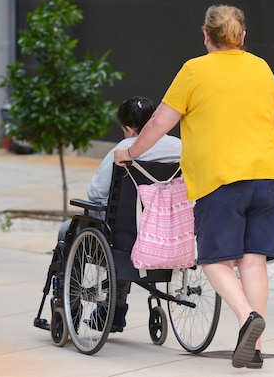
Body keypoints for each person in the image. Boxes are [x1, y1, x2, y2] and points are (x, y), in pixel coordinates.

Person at [114, 5, 274, 368]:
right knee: (253, 261)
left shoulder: (194, 70)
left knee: (213, 260)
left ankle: (247, 318)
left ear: (205, 37)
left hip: (223, 179)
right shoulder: (262, 67)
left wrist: (130, 153)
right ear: (242, 37)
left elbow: (157, 125)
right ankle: (255, 348)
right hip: (273, 177)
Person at [57, 96, 181, 332]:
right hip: (166, 230)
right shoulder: (178, 147)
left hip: (127, 233)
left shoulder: (123, 150)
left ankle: (71, 308)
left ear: (127, 128)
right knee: (124, 230)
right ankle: (112, 311)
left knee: (74, 230)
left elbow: (95, 193)